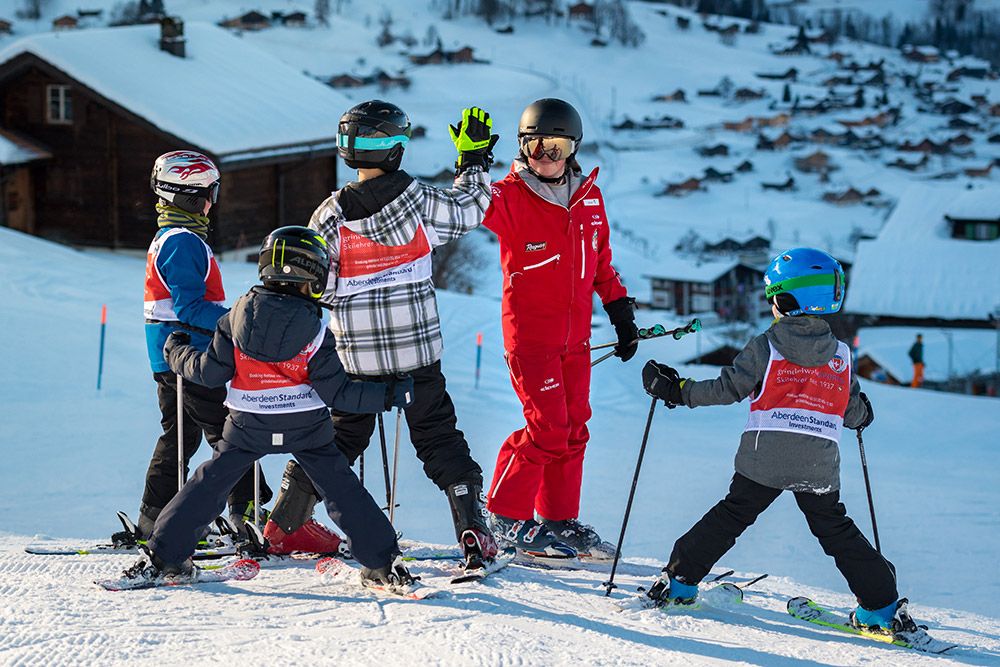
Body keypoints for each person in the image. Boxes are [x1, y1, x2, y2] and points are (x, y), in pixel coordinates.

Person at [262, 101, 501, 570]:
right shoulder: (418, 201)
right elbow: (473, 208)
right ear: (396, 148)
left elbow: (317, 286)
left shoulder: (329, 216)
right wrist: (472, 161)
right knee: (438, 437)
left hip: (355, 359)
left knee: (339, 438)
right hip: (416, 354)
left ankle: (284, 525)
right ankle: (473, 530)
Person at [641, 247, 925, 638]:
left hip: (763, 462)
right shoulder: (841, 355)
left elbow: (728, 388)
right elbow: (852, 411)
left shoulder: (766, 346)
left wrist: (678, 390)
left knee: (731, 515)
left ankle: (679, 582)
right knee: (836, 531)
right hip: (817, 466)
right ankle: (881, 607)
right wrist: (864, 413)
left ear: (784, 299)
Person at [119, 226, 416, 588]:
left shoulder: (236, 318)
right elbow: (339, 393)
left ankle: (165, 555)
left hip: (248, 425)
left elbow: (210, 373)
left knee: (209, 483)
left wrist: (176, 351)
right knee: (341, 488)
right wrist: (389, 394)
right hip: (307, 426)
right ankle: (382, 562)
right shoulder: (317, 329)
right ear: (315, 275)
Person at [483, 98, 638, 559]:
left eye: (556, 145)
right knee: (547, 428)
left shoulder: (590, 196)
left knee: (573, 429)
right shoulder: (508, 196)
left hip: (576, 340)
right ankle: (505, 517)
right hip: (531, 339)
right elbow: (465, 207)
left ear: (573, 148)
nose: (545, 156)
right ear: (522, 146)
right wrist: (468, 166)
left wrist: (619, 310)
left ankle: (557, 519)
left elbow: (601, 261)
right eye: (535, 145)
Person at [132, 150, 270, 541]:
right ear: (192, 196)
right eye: (211, 192)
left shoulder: (171, 238)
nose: (213, 202)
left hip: (173, 356)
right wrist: (241, 319)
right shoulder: (183, 242)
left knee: (180, 437)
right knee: (232, 434)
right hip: (188, 359)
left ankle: (154, 519)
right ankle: (249, 513)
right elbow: (190, 306)